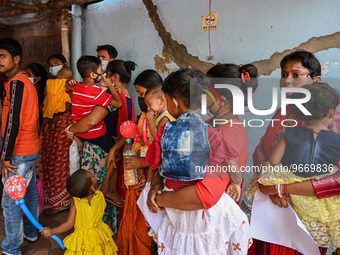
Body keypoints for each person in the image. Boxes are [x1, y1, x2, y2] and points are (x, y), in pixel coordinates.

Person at [144, 68, 251, 254]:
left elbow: (155, 162)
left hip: (177, 206)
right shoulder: (211, 132)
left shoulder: (164, 131)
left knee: (180, 244)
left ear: (174, 102)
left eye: (167, 100)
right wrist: (236, 182)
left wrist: (156, 186)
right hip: (202, 215)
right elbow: (232, 164)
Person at [250, 50, 340, 255]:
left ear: (316, 80)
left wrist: (282, 189)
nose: (287, 81)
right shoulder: (282, 112)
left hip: (307, 217)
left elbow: (336, 179)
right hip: (271, 212)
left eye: (296, 75)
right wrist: (267, 180)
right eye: (284, 75)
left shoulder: (333, 123)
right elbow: (261, 150)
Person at [0, 38, 41, 255]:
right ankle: (31, 232)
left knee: (11, 201)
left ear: (16, 59)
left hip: (19, 152)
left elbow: (12, 124)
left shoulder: (17, 83)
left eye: (3, 56)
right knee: (31, 191)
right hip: (30, 148)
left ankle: (11, 248)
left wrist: (5, 157)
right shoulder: (24, 82)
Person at [206, 63, 258, 202]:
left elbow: (210, 188)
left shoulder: (228, 134)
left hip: (217, 209)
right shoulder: (213, 123)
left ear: (222, 101)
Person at [40, 169, 118, 254]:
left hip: (81, 240)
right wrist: (109, 173)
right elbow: (105, 187)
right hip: (99, 236)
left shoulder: (75, 202)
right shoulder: (99, 197)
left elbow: (68, 224)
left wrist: (52, 231)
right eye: (91, 175)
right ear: (91, 187)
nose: (93, 174)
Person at [38, 53, 74, 215]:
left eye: (57, 63)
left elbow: (72, 103)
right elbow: (46, 101)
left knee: (60, 161)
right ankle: (47, 200)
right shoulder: (49, 84)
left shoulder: (71, 84)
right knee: (48, 160)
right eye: (51, 64)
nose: (54, 67)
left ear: (65, 64)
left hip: (63, 127)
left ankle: (61, 202)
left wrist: (58, 112)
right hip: (49, 127)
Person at [43, 66, 73, 133]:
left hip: (50, 101)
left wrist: (48, 99)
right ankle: (53, 123)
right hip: (59, 101)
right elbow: (71, 89)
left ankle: (47, 124)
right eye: (68, 78)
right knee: (57, 113)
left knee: (47, 114)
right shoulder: (64, 82)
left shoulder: (49, 82)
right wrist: (76, 86)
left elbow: (45, 93)